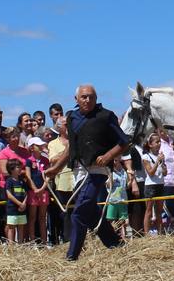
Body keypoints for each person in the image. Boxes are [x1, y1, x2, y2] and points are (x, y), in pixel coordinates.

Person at [44, 84, 131, 261]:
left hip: (98, 170)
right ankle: (115, 243)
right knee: (90, 212)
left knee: (79, 212)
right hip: (79, 170)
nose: (88, 100)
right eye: (84, 97)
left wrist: (108, 156)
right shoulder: (72, 118)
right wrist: (56, 168)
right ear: (76, 99)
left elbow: (124, 142)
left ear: (96, 98)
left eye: (91, 97)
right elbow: (70, 148)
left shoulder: (106, 116)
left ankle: (72, 256)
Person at [139, 132, 166, 236]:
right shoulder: (146, 156)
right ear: (150, 144)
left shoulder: (160, 156)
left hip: (160, 184)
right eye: (156, 142)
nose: (159, 144)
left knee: (159, 211)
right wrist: (157, 161)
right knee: (149, 211)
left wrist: (163, 164)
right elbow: (150, 173)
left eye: (160, 142)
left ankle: (160, 233)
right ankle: (147, 234)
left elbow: (165, 173)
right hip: (150, 186)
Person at [3, 159, 29, 244]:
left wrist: (24, 204)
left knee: (21, 227)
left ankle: (20, 244)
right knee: (11, 227)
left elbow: (26, 193)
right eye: (18, 167)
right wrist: (19, 204)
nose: (20, 169)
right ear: (11, 169)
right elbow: (9, 194)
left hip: (22, 209)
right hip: (12, 208)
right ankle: (11, 245)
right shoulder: (9, 181)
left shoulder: (22, 181)